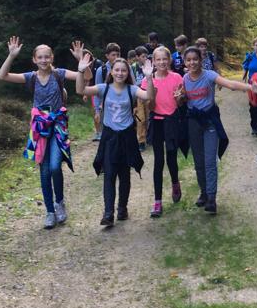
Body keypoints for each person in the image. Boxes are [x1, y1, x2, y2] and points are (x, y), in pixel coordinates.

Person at [0, 36, 84, 230]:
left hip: (58, 126)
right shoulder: (31, 77)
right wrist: (11, 56)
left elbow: (85, 77)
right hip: (39, 128)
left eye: (47, 57)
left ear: (52, 57)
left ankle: (59, 203)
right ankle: (50, 212)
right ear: (34, 59)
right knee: (44, 171)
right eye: (40, 57)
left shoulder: (59, 74)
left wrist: (81, 62)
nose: (44, 60)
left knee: (54, 167)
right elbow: (2, 76)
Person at [76, 53, 155, 229]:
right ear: (111, 72)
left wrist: (149, 77)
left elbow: (148, 95)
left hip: (126, 136)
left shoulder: (131, 90)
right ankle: (108, 213)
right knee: (109, 174)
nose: (120, 73)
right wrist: (80, 72)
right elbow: (81, 90)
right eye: (117, 70)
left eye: (123, 70)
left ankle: (122, 209)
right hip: (109, 137)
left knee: (124, 174)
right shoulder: (103, 88)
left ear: (128, 73)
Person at [179, 45, 257, 214]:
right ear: (185, 62)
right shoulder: (184, 79)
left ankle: (211, 198)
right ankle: (203, 192)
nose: (192, 63)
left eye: (195, 59)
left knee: (210, 161)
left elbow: (230, 84)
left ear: (201, 60)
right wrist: (180, 98)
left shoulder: (209, 75)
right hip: (193, 123)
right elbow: (181, 99)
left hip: (210, 121)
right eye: (189, 60)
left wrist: (250, 87)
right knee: (199, 162)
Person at [142, 45, 186, 217]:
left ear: (169, 60)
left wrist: (180, 98)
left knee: (171, 158)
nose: (161, 62)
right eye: (158, 59)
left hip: (172, 121)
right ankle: (158, 202)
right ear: (153, 61)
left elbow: (181, 102)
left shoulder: (177, 77)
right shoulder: (147, 80)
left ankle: (175, 183)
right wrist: (152, 92)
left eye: (164, 59)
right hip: (157, 122)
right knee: (158, 161)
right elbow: (150, 107)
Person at [92, 43, 121, 142]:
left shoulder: (125, 68)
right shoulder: (102, 70)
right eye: (113, 55)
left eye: (118, 54)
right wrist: (97, 110)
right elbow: (97, 92)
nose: (116, 57)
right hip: (106, 106)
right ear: (107, 56)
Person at [131, 46, 150, 151]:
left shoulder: (149, 66)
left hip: (148, 95)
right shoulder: (133, 67)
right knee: (140, 118)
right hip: (138, 96)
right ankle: (141, 140)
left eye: (146, 56)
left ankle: (148, 136)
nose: (145, 58)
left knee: (148, 117)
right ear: (137, 57)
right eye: (143, 56)